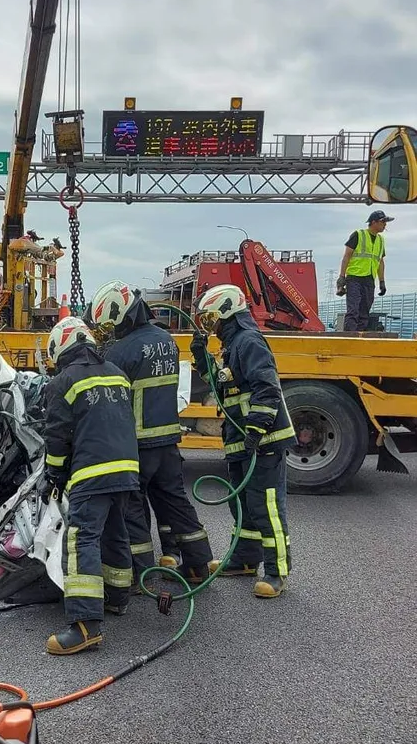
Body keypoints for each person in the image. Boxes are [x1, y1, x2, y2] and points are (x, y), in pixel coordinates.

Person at [87, 281, 213, 586]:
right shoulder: (166, 340)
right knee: (175, 502)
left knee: (132, 508)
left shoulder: (120, 351)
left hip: (138, 444)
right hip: (168, 442)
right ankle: (198, 565)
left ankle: (140, 573)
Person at [43, 315, 141, 655]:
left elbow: (57, 439)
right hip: (127, 470)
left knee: (81, 538)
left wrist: (54, 476)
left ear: (62, 346)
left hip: (91, 472)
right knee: (115, 532)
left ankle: (86, 626)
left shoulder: (64, 381)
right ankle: (117, 598)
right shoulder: (117, 373)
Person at [190, 283, 295, 598]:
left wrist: (256, 429)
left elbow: (267, 388)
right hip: (241, 441)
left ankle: (276, 572)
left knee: (267, 508)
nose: (210, 326)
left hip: (263, 440)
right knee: (243, 506)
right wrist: (200, 355)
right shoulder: (231, 345)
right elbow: (222, 387)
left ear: (226, 312)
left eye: (210, 319)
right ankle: (245, 560)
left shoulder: (248, 342)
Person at [337, 210, 393, 332]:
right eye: (383, 222)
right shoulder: (358, 234)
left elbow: (380, 262)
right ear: (374, 222)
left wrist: (382, 282)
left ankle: (360, 337)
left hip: (369, 279)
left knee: (365, 311)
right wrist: (341, 277)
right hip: (354, 278)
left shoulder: (380, 240)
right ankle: (350, 338)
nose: (385, 225)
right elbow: (346, 256)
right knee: (353, 310)